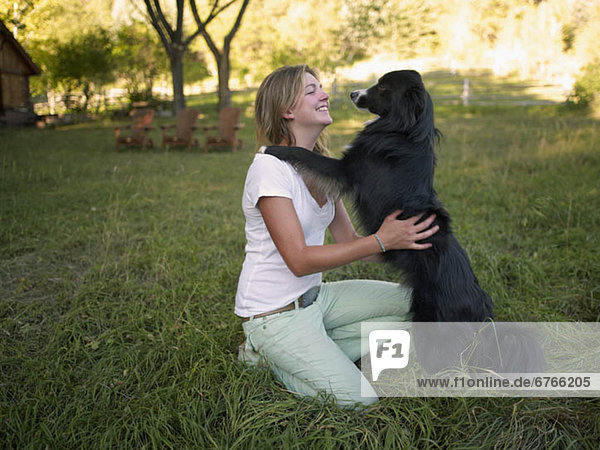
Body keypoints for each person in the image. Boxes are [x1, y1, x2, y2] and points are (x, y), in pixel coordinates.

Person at [235, 64, 439, 407]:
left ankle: (319, 348)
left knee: (424, 305)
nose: (325, 94)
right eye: (312, 90)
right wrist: (382, 240)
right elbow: (299, 261)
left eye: (321, 88)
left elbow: (348, 240)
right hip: (274, 316)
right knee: (361, 400)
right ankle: (265, 356)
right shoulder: (269, 169)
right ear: (287, 109)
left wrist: (414, 241)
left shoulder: (321, 165)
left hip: (318, 299)